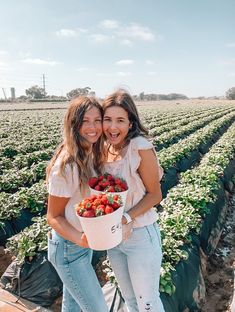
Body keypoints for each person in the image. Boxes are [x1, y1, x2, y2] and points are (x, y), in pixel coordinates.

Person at [102, 90, 165, 312]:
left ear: (130, 123)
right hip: (114, 238)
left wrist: (127, 217)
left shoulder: (140, 147)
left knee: (147, 302)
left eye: (120, 120)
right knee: (129, 299)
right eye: (107, 120)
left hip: (140, 234)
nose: (112, 127)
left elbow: (155, 194)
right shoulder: (104, 149)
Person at [46, 96, 109, 312]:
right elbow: (53, 216)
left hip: (81, 243)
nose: (92, 128)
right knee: (97, 308)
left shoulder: (90, 152)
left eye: (97, 120)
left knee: (71, 304)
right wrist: (81, 239)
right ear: (74, 124)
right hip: (69, 247)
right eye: (85, 121)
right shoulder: (68, 165)